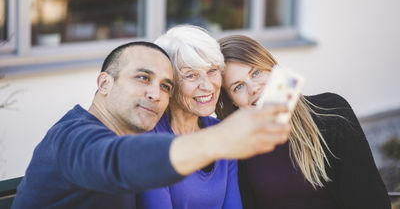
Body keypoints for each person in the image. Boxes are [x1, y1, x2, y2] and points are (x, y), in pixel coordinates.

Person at [12, 41, 291, 209]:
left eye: (165, 86)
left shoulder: (130, 137)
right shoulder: (70, 137)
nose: (155, 94)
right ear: (105, 83)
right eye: (142, 78)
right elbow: (114, 159)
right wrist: (218, 140)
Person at [216, 35, 391, 209]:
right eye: (238, 86)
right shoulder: (238, 149)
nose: (253, 88)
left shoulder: (332, 113)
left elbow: (371, 199)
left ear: (272, 68)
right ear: (232, 101)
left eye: (256, 72)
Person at [138, 25, 243, 209]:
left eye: (212, 71)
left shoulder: (224, 134)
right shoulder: (150, 143)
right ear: (168, 84)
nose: (207, 86)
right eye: (191, 75)